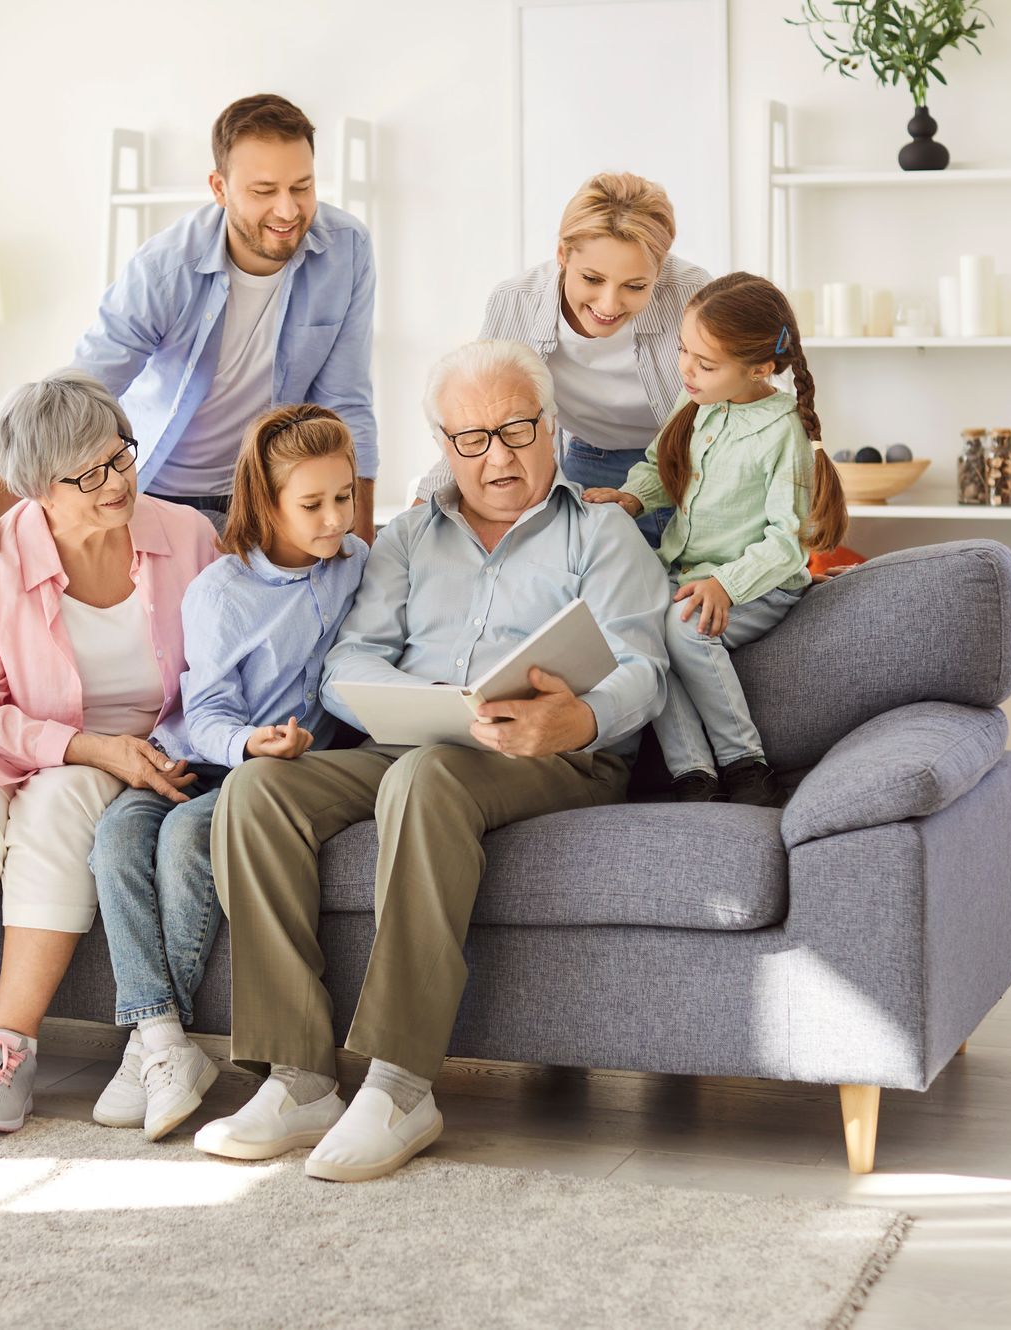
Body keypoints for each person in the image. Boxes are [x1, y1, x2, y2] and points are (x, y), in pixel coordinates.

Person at [194, 340, 670, 1183]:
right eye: (472, 438)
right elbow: (350, 661)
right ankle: (299, 1076)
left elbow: (645, 670)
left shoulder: (600, 531)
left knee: (425, 777)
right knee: (257, 791)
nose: (499, 456)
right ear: (444, 445)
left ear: (552, 428)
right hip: (416, 741)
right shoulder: (409, 538)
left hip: (555, 756)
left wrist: (579, 718)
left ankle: (402, 1083)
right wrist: (411, 703)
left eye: (518, 429)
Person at [0, 370, 218, 1131]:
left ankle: (11, 1046)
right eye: (88, 474)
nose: (117, 483)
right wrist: (79, 744)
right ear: (37, 490)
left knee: (63, 802)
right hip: (3, 736)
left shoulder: (188, 538)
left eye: (122, 457)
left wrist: (116, 753)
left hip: (131, 749)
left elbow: (222, 669)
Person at [0, 93, 378, 587]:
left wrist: (361, 555)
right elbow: (78, 395)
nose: (288, 209)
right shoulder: (164, 270)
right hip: (159, 495)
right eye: (263, 190)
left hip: (268, 492)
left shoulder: (348, 250)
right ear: (219, 187)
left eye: (303, 186)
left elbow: (346, 404)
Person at [87, 403, 369, 1142]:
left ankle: (146, 1050)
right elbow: (205, 709)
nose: (335, 519)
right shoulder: (220, 591)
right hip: (209, 754)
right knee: (116, 838)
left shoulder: (361, 568)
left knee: (185, 840)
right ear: (266, 503)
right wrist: (249, 744)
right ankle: (161, 1041)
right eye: (312, 505)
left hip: (273, 779)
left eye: (344, 497)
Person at [585, 272, 848, 807]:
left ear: (760, 368)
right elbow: (661, 469)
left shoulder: (783, 432)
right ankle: (694, 774)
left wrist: (726, 586)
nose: (686, 369)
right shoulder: (698, 408)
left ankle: (745, 763)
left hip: (757, 584)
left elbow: (787, 543)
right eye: (683, 350)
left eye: (705, 364)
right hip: (685, 575)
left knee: (684, 631)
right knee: (639, 629)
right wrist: (633, 498)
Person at [413, 172, 710, 548]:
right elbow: (477, 414)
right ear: (562, 255)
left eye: (635, 286)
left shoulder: (690, 292)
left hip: (690, 459)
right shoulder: (517, 301)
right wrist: (418, 517)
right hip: (593, 459)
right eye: (591, 278)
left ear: (661, 267)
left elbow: (742, 396)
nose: (609, 304)